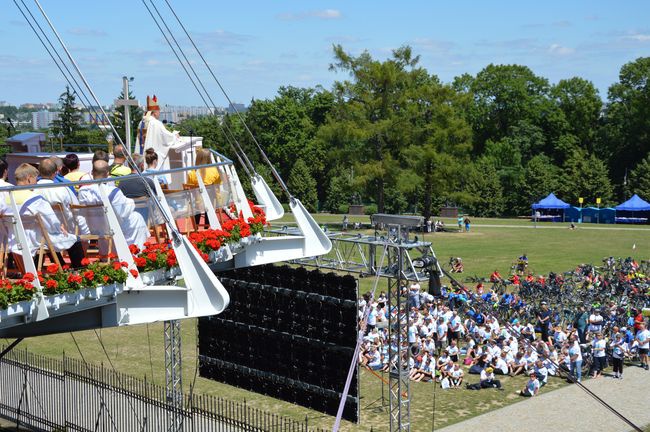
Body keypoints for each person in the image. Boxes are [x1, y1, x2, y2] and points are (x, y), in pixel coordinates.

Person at [7, 163, 85, 268]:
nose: (36, 182)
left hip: (14, 240)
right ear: (29, 178)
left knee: (49, 238)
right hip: (36, 239)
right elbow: (52, 221)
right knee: (75, 239)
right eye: (35, 179)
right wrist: (60, 227)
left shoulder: (7, 197)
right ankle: (79, 270)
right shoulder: (35, 199)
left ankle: (61, 265)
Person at [78, 160, 149, 251]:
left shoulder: (83, 191)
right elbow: (124, 213)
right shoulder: (112, 191)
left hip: (94, 228)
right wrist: (130, 202)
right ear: (107, 174)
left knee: (134, 218)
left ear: (92, 172)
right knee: (137, 218)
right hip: (110, 228)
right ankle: (135, 253)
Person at [37, 158, 89, 236]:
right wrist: (86, 233)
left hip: (41, 237)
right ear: (55, 173)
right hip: (66, 235)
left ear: (39, 172)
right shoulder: (63, 189)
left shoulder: (31, 190)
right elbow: (77, 211)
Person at [136, 95, 181, 174]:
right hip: (152, 159)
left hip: (142, 155)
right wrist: (175, 136)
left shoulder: (141, 122)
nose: (159, 114)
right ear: (155, 112)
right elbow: (167, 139)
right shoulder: (156, 123)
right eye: (159, 111)